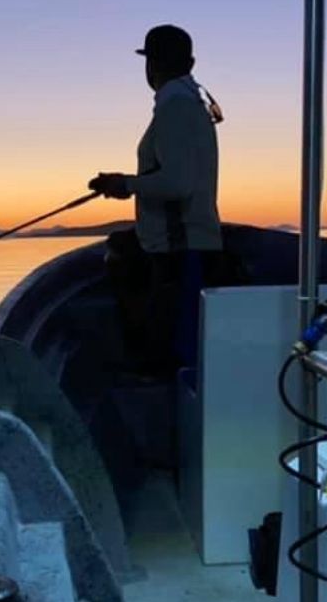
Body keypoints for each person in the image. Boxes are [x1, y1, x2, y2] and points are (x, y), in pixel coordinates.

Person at [88, 24, 228, 375]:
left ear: (150, 66)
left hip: (179, 250)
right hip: (182, 244)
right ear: (190, 62)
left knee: (173, 358)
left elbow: (178, 183)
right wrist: (125, 182)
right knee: (120, 248)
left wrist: (126, 184)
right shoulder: (187, 103)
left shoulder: (176, 107)